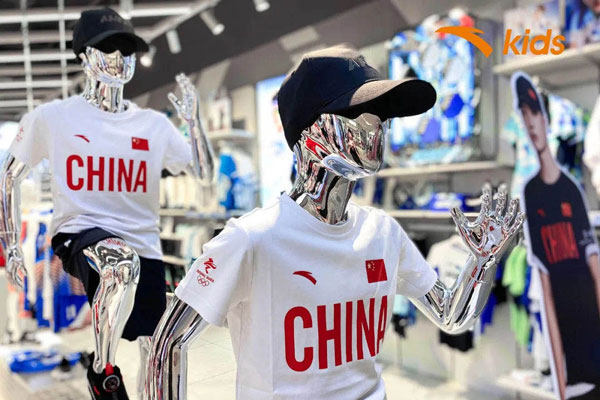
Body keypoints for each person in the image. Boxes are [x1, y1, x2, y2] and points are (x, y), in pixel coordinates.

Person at [144, 46, 524, 400]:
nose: (377, 127)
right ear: (309, 129)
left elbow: (452, 317)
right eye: (359, 112)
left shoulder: (383, 232)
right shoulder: (252, 238)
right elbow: (167, 344)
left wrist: (482, 261)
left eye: (383, 115)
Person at [0, 8, 214, 400]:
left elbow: (203, 173)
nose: (118, 59)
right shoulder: (53, 117)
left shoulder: (154, 125)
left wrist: (194, 123)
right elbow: (9, 176)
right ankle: (103, 369)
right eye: (107, 48)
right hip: (80, 233)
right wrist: (10, 243)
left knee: (163, 352)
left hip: (146, 246)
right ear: (83, 57)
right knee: (120, 264)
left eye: (126, 50)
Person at [515, 73, 600, 400]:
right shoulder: (531, 193)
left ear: (545, 118)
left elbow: (594, 270)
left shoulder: (571, 189)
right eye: (523, 115)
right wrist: (560, 383)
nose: (530, 123)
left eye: (534, 113)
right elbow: (546, 290)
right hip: (568, 350)